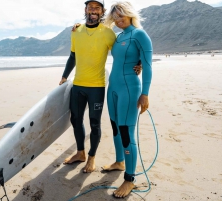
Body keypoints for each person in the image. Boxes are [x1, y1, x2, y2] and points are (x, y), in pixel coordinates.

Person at [59, 0, 142, 173]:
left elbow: (125, 50)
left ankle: (91, 158)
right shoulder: (76, 31)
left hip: (97, 86)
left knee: (94, 123)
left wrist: (139, 62)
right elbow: (73, 56)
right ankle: (80, 153)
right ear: (86, 9)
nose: (93, 10)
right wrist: (64, 76)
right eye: (91, 7)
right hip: (78, 85)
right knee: (75, 120)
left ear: (102, 11)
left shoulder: (108, 33)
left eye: (97, 7)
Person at [102, 1, 153, 198]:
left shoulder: (139, 34)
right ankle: (119, 161)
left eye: (121, 16)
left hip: (130, 89)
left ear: (130, 15)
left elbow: (147, 66)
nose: (118, 20)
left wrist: (145, 94)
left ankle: (129, 179)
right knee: (115, 126)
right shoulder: (118, 36)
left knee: (126, 131)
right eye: (115, 18)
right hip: (113, 88)